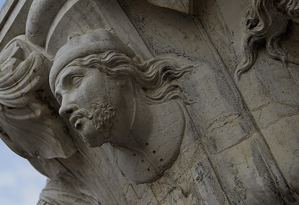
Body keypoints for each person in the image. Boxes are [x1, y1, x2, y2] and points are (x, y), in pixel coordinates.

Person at [49, 30, 194, 182]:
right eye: (60, 97)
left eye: (75, 80)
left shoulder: (187, 111)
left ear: (120, 73)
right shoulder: (118, 175)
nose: (63, 108)